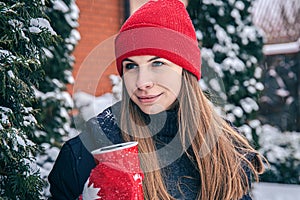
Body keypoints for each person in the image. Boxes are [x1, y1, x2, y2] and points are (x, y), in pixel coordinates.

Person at [48, 0, 265, 199]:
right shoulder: (84, 154)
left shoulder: (226, 149)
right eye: (131, 66)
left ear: (185, 71)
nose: (142, 82)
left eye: (157, 63)